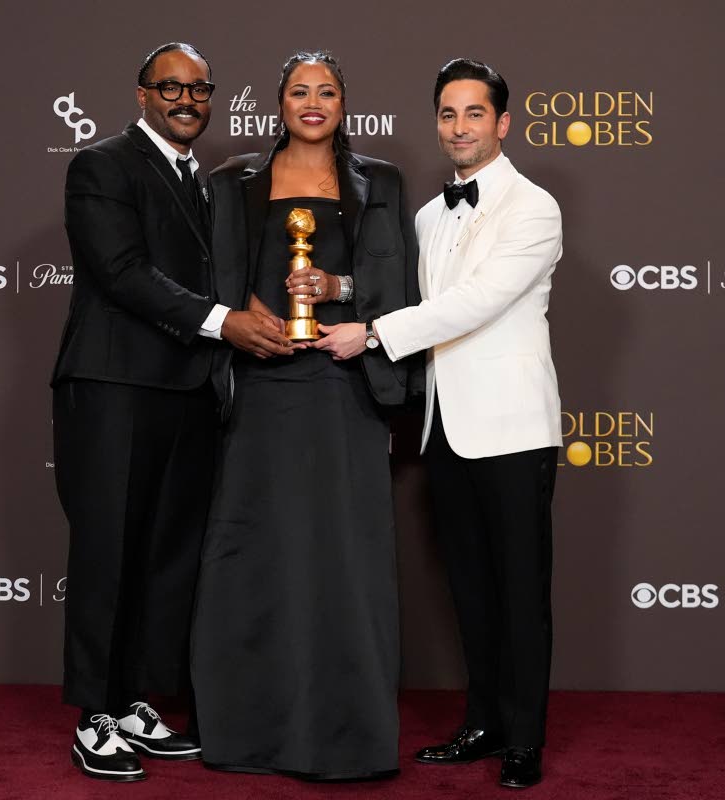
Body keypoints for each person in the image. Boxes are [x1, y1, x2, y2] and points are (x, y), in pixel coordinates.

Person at [317, 58, 564, 790]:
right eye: (448, 115)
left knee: (521, 590)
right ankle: (484, 720)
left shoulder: (534, 207)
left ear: (503, 122)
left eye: (474, 114)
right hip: (444, 427)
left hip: (514, 430)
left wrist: (372, 333)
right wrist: (342, 288)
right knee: (471, 589)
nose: (460, 127)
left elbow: (473, 303)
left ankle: (525, 737)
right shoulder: (427, 214)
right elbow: (411, 289)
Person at [51, 41, 292, 782]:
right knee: (107, 552)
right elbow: (122, 273)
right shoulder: (101, 164)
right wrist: (225, 322)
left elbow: (210, 271)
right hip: (114, 387)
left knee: (163, 555)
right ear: (142, 95)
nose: (187, 101)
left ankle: (132, 701)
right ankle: (94, 714)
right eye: (171, 89)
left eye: (199, 90)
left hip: (188, 389)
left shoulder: (206, 182)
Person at [190, 50, 422, 780]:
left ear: (344, 103)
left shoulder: (378, 180)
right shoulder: (234, 181)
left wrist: (336, 283)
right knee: (257, 556)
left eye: (326, 92)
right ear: (279, 103)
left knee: (341, 558)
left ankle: (346, 737)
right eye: (299, 92)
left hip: (343, 390)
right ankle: (245, 732)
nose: (313, 103)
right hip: (260, 391)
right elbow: (206, 276)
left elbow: (395, 279)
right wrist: (239, 314)